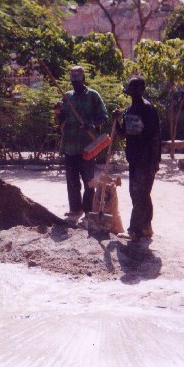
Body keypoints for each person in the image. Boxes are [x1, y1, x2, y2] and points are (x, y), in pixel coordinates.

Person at [57, 65, 108, 222]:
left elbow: (104, 116)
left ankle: (88, 210)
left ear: (84, 79)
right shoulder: (67, 97)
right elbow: (60, 120)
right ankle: (75, 209)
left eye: (78, 82)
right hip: (70, 146)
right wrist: (57, 113)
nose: (75, 85)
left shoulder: (93, 96)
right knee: (72, 181)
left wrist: (92, 125)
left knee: (88, 181)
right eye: (73, 82)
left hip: (87, 147)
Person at [114, 76, 161, 242]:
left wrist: (155, 161)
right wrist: (116, 122)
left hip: (146, 159)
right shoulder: (129, 110)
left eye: (135, 90)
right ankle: (146, 227)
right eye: (130, 90)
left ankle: (135, 230)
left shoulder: (148, 110)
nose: (132, 93)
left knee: (139, 193)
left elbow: (155, 137)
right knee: (139, 194)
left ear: (142, 90)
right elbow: (122, 135)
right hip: (133, 159)